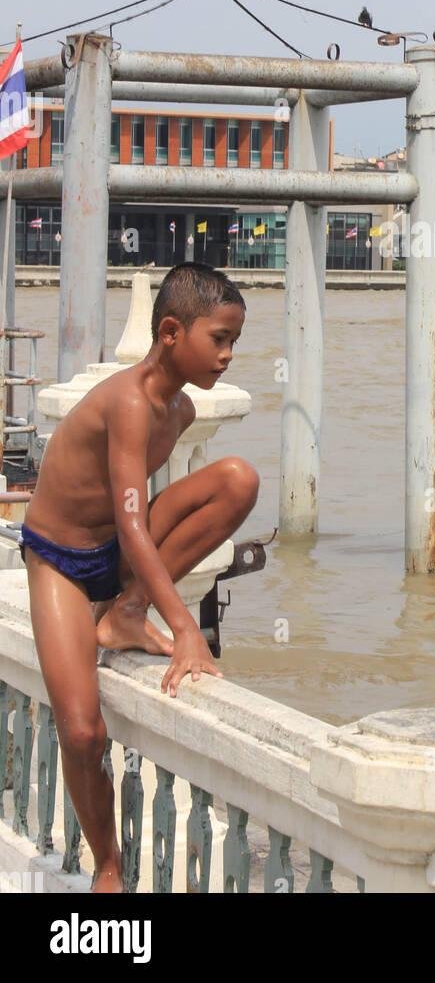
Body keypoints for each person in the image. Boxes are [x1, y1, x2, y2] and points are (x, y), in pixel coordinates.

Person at [19, 262, 260, 891]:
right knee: (81, 730)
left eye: (234, 341)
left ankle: (124, 612)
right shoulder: (129, 401)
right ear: (172, 332)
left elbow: (135, 519)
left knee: (238, 479)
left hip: (116, 549)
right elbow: (133, 524)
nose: (228, 355)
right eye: (220, 339)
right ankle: (107, 863)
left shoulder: (180, 409)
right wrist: (185, 628)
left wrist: (142, 598)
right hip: (62, 559)